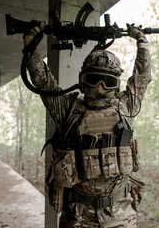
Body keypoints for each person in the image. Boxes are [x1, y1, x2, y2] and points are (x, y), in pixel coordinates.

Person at [23, 22, 151, 227]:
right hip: (78, 217)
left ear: (116, 84)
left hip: (121, 214)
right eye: (94, 79)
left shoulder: (125, 106)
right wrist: (30, 42)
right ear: (82, 80)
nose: (100, 88)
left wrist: (142, 42)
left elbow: (142, 77)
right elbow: (42, 80)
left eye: (107, 82)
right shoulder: (68, 110)